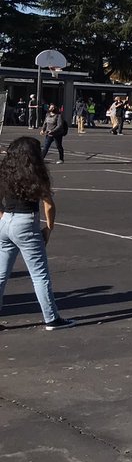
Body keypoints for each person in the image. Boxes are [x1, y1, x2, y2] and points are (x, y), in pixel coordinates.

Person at [0, 136, 74, 329]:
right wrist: (49, 228)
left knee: (1, 274)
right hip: (26, 222)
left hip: (7, 221)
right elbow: (48, 205)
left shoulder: (5, 171)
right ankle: (51, 318)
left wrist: (3, 218)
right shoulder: (36, 173)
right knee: (39, 274)